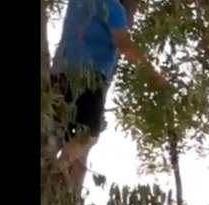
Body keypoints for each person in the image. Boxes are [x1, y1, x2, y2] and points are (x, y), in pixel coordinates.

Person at [49, 0, 164, 175]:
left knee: (56, 129)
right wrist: (153, 75)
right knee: (89, 135)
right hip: (89, 77)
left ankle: (50, 163)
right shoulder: (113, 9)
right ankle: (55, 169)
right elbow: (125, 46)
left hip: (59, 74)